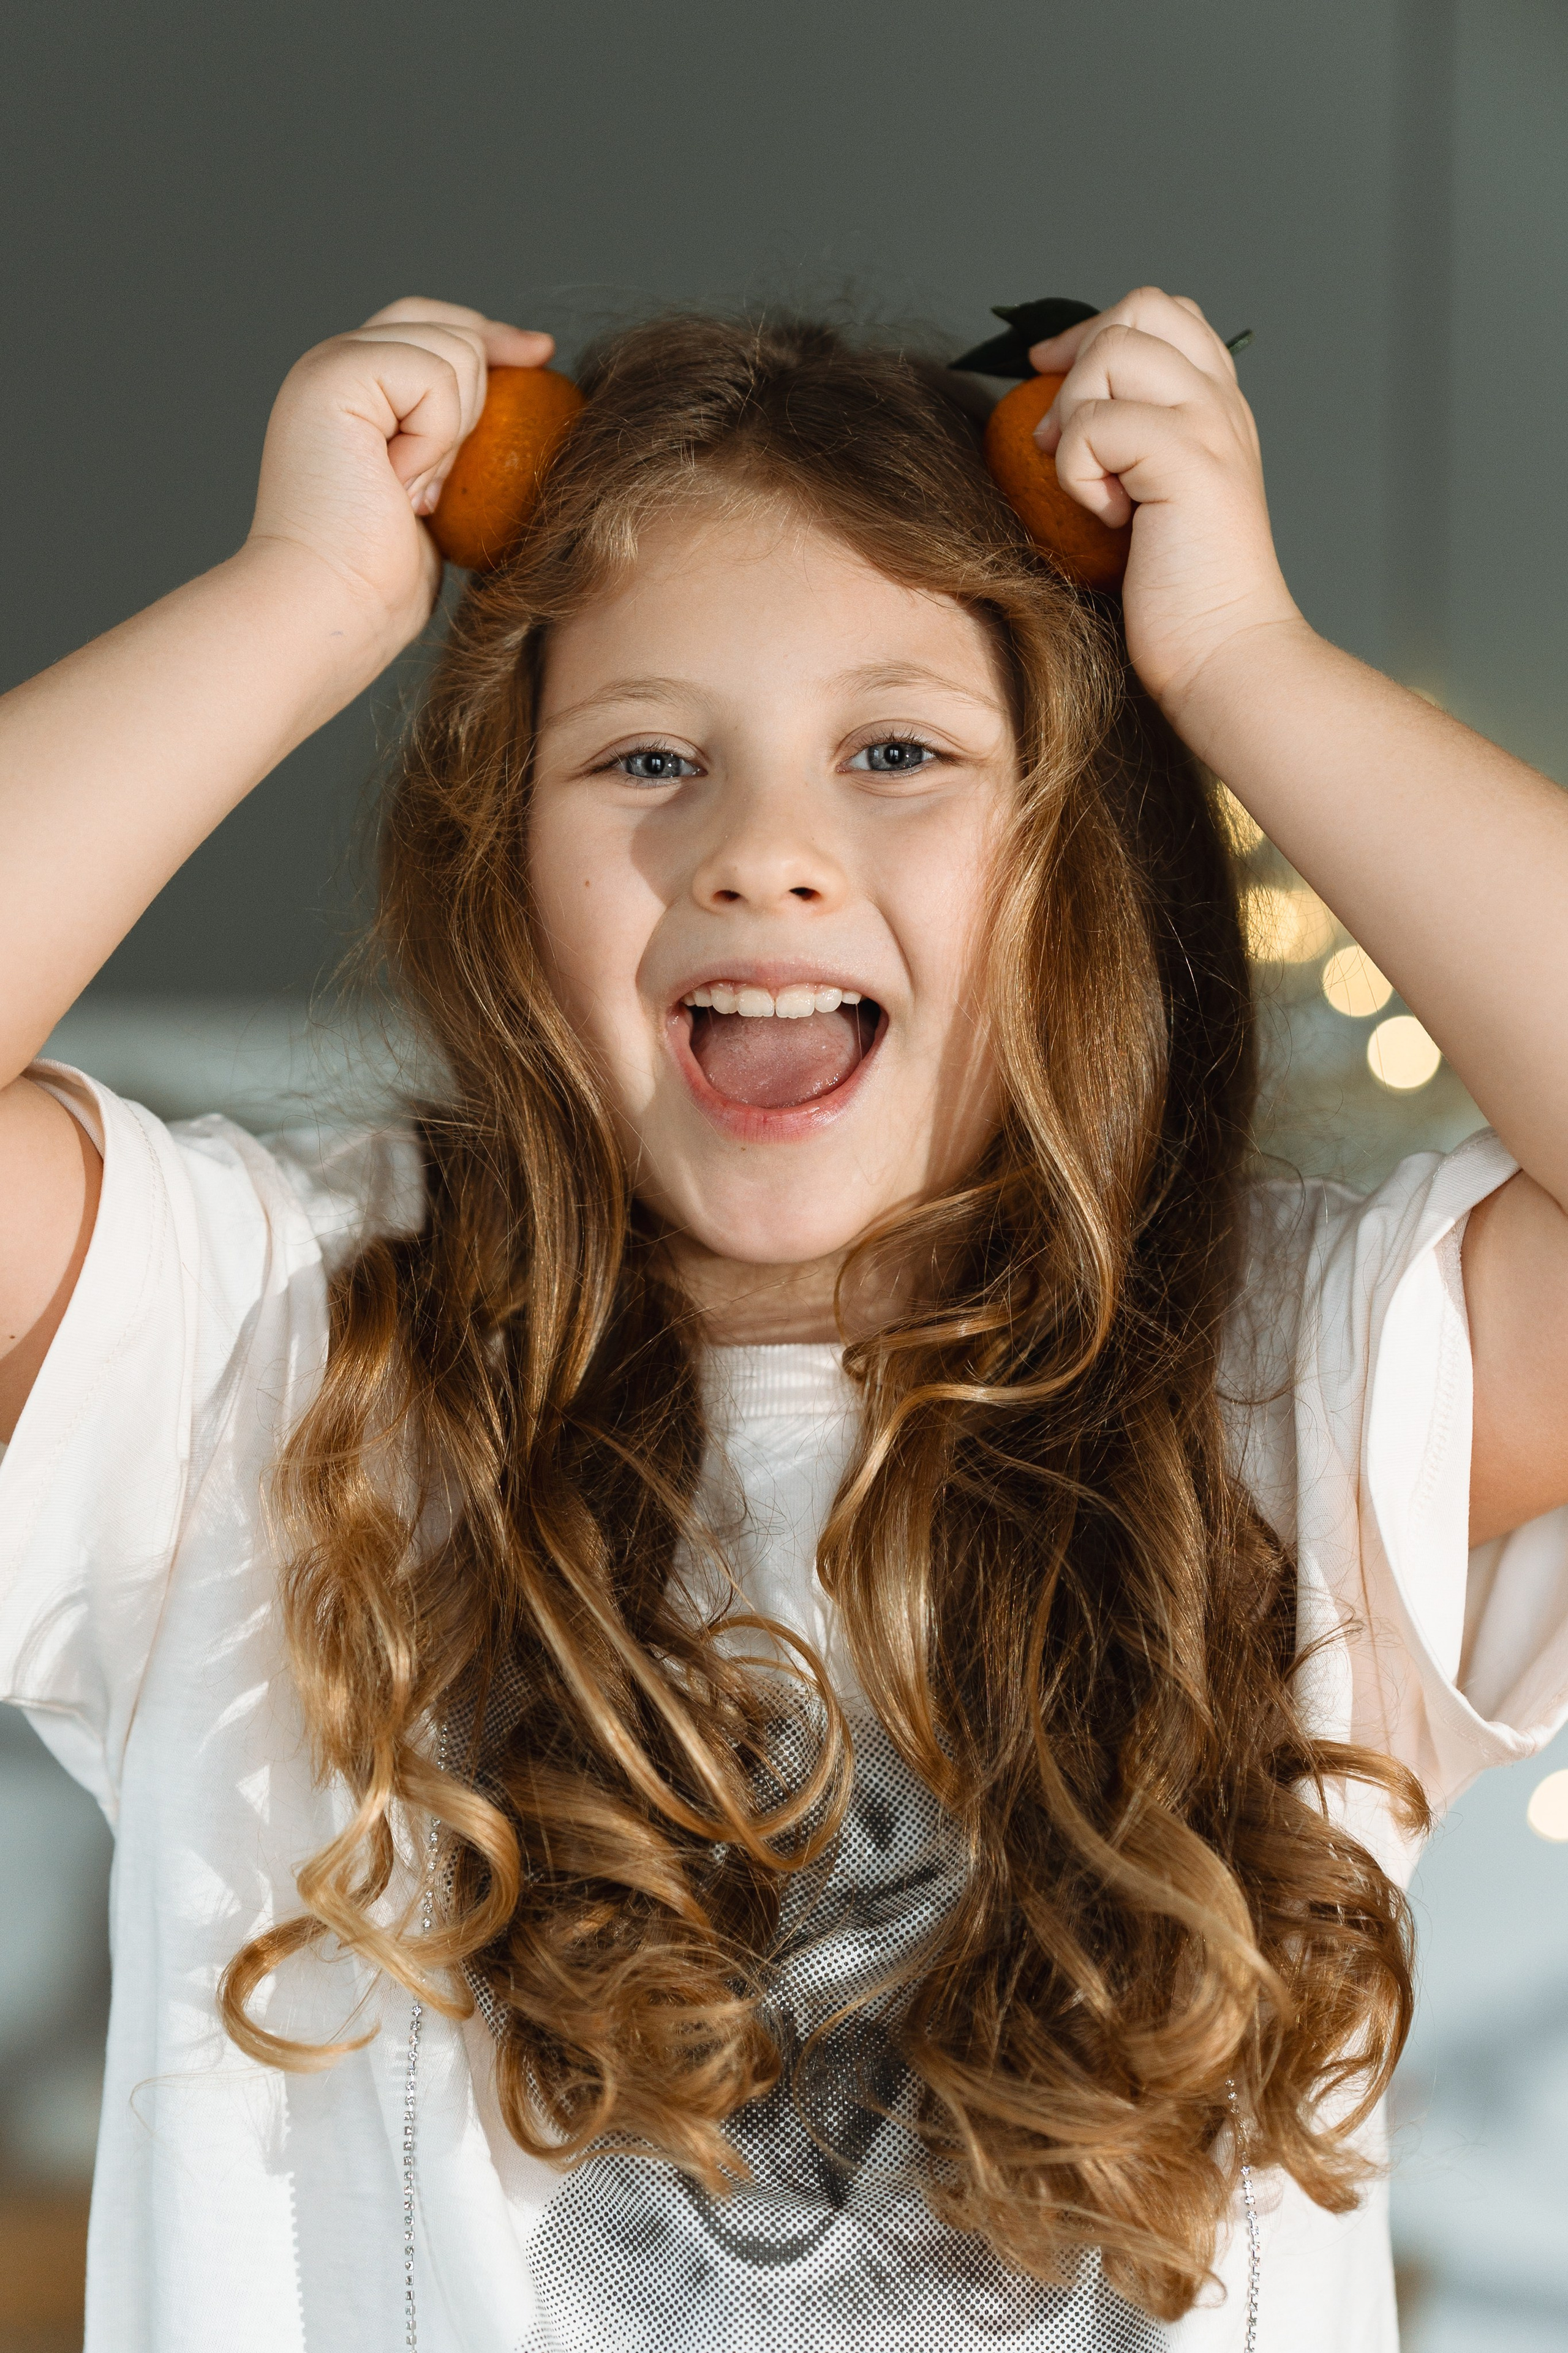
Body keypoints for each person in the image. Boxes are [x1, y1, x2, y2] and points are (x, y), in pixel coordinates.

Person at [1, 285, 1565, 2353]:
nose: (763, 853)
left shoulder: (1292, 1380)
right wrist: (293, 602)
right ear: (507, 869)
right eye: (646, 755)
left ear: (1066, 860)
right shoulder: (263, 1362)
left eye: (900, 752)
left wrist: (1244, 664)